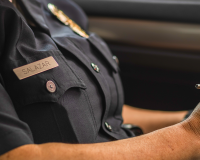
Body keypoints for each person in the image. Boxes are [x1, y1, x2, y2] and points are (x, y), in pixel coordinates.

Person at [0, 0, 199, 159]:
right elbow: (16, 155)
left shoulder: (57, 9)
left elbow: (107, 115)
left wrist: (187, 118)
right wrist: (190, 135)